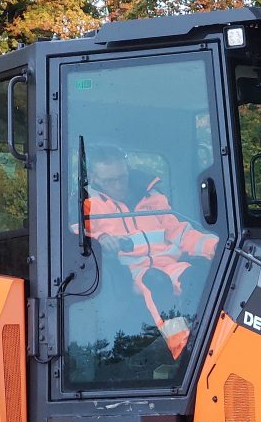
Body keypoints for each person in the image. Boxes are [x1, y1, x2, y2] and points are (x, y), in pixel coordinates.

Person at [81, 145, 219, 359]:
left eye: (122, 177)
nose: (118, 185)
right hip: (134, 270)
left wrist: (215, 246)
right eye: (110, 181)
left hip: (170, 264)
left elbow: (179, 232)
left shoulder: (152, 196)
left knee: (199, 275)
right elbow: (77, 235)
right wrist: (100, 238)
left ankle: (210, 336)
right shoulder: (88, 205)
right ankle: (185, 350)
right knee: (156, 282)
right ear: (94, 178)